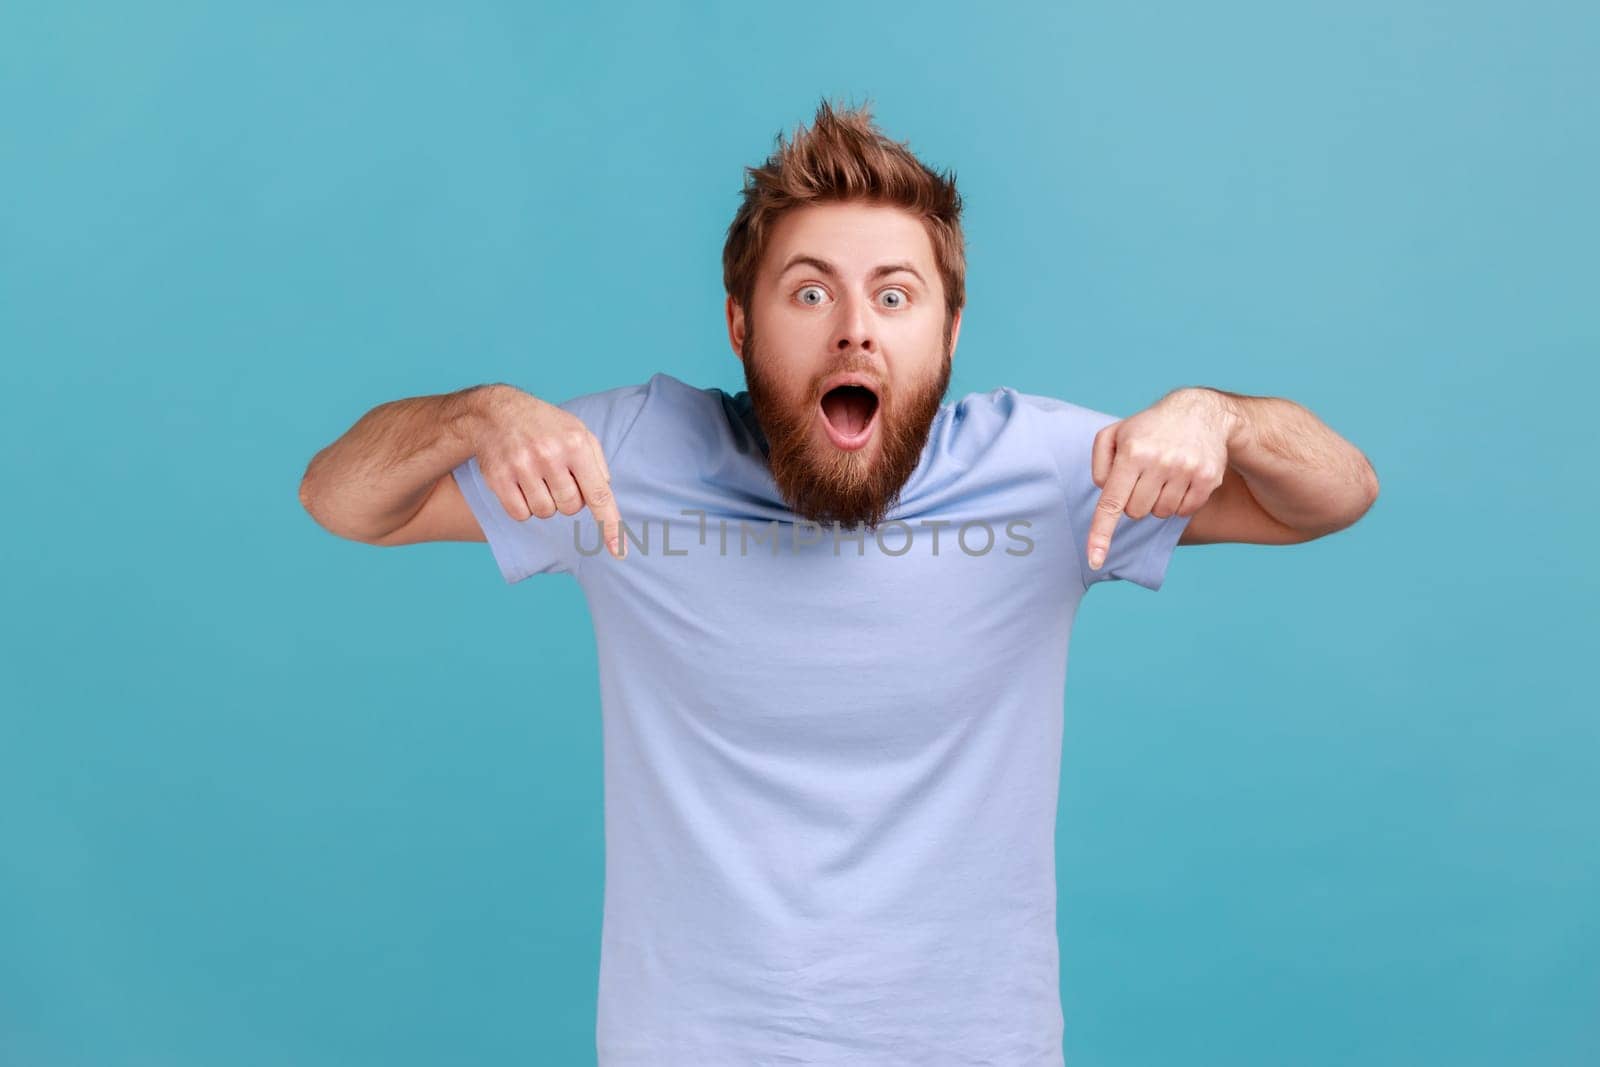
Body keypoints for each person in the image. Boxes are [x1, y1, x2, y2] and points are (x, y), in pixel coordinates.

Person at [299, 97, 1379, 1066]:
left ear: (949, 332)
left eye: (895, 296)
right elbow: (343, 500)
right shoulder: (622, 459)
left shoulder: (1048, 472)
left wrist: (1217, 413)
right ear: (739, 322)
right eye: (808, 290)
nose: (855, 325)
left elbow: (1333, 494)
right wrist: (475, 410)